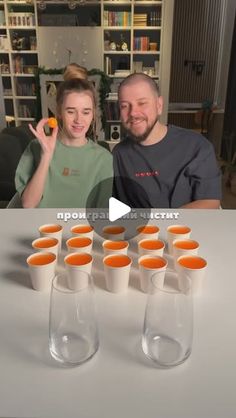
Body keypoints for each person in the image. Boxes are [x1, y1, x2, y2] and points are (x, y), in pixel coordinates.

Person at [112, 73, 221, 208]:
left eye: (142, 103)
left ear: (159, 105)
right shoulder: (118, 154)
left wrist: (163, 225)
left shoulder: (197, 146)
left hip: (186, 228)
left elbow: (210, 201)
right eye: (124, 106)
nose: (133, 112)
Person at [15, 65, 113, 208]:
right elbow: (28, 204)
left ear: (93, 114)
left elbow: (103, 216)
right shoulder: (36, 147)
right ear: (59, 111)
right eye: (71, 111)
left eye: (86, 112)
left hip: (84, 230)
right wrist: (47, 156)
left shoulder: (104, 159)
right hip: (43, 229)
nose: (79, 120)